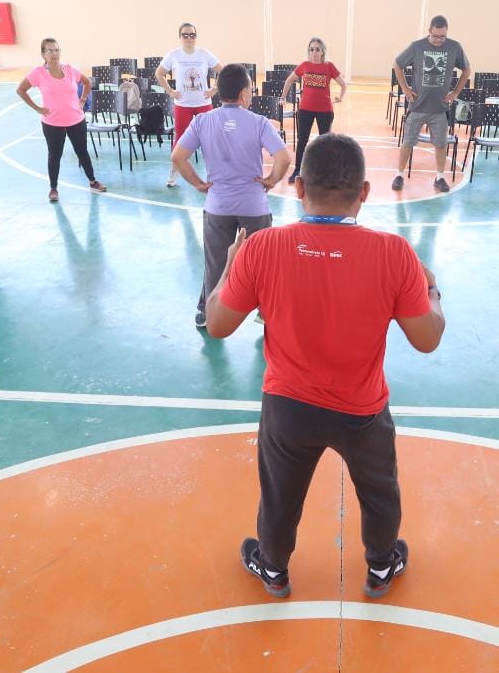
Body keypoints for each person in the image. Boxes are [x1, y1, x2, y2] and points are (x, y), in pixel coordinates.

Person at [205, 133, 446, 599]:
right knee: (380, 492)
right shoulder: (395, 254)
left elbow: (217, 325)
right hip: (363, 409)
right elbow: (427, 339)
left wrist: (229, 267)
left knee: (280, 495)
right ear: (364, 193)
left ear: (299, 188)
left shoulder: (260, 248)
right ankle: (380, 566)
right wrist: (432, 290)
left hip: (288, 406)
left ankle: (273, 568)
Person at [171, 64, 289, 328]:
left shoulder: (202, 121)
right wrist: (271, 180)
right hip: (254, 207)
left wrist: (199, 184)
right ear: (244, 94)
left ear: (219, 93)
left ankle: (205, 311)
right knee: (261, 262)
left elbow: (178, 156)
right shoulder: (259, 123)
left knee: (215, 263)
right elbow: (283, 157)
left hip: (218, 205)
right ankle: (265, 311)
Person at [16, 37, 106, 203]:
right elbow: (21, 90)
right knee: (54, 155)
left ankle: (93, 181)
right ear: (43, 54)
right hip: (52, 123)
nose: (54, 53)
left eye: (56, 50)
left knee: (82, 152)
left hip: (76, 120)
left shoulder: (70, 70)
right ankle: (53, 188)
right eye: (50, 50)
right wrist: (37, 108)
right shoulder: (38, 73)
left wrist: (83, 99)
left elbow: (86, 82)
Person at [392, 15, 470, 194]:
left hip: (439, 108)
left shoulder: (454, 47)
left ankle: (440, 177)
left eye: (442, 36)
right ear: (429, 31)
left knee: (441, 144)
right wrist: (404, 88)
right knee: (408, 142)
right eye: (436, 36)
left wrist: (455, 92)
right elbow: (397, 64)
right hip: (418, 106)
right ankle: (399, 175)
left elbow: (467, 70)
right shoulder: (417, 47)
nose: (439, 40)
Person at [156, 22, 222, 188]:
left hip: (204, 104)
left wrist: (214, 90)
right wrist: (170, 91)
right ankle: (174, 172)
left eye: (192, 35)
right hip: (182, 105)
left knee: (209, 140)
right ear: (180, 37)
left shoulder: (204, 54)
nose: (189, 38)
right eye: (185, 35)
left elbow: (224, 71)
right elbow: (159, 74)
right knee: (180, 140)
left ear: (195, 37)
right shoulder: (174, 55)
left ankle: (213, 175)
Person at [280, 37, 347, 184]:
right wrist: (283, 97)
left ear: (323, 51)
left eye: (317, 49)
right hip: (305, 111)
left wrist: (341, 97)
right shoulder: (304, 65)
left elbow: (343, 84)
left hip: (325, 111)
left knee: (325, 143)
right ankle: (298, 170)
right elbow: (289, 80)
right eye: (311, 49)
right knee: (302, 140)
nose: (314, 52)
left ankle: (326, 173)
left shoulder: (329, 66)